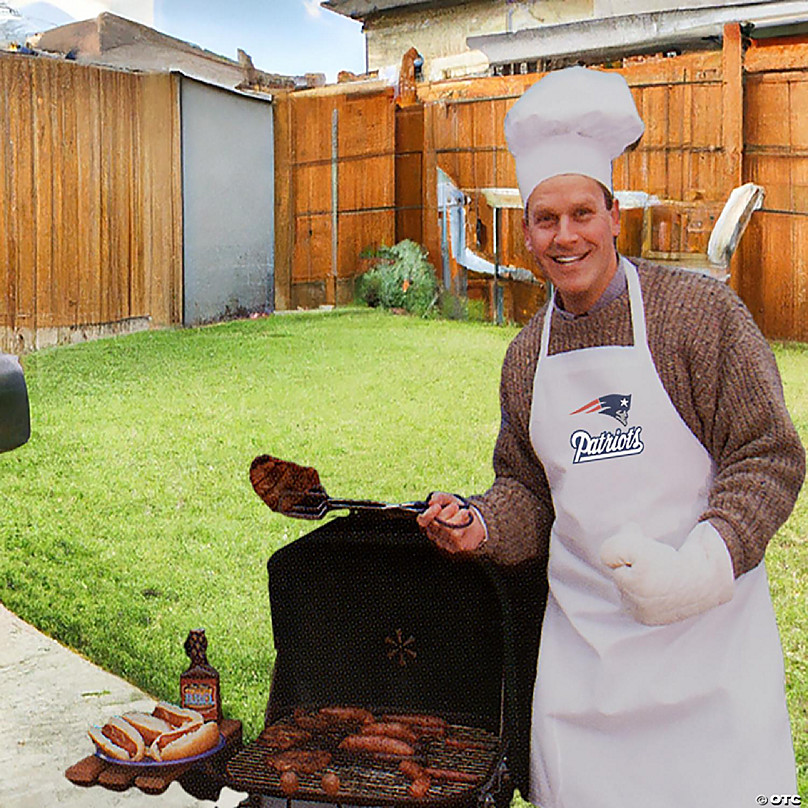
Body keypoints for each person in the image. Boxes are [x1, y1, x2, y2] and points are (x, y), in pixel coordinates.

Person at [417, 66, 805, 808]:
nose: (566, 237)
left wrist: (700, 565)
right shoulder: (527, 354)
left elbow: (768, 454)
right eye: (545, 219)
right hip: (586, 663)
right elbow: (530, 489)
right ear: (526, 232)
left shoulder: (696, 315)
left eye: (582, 213)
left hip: (709, 656)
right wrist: (482, 522)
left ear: (614, 213)